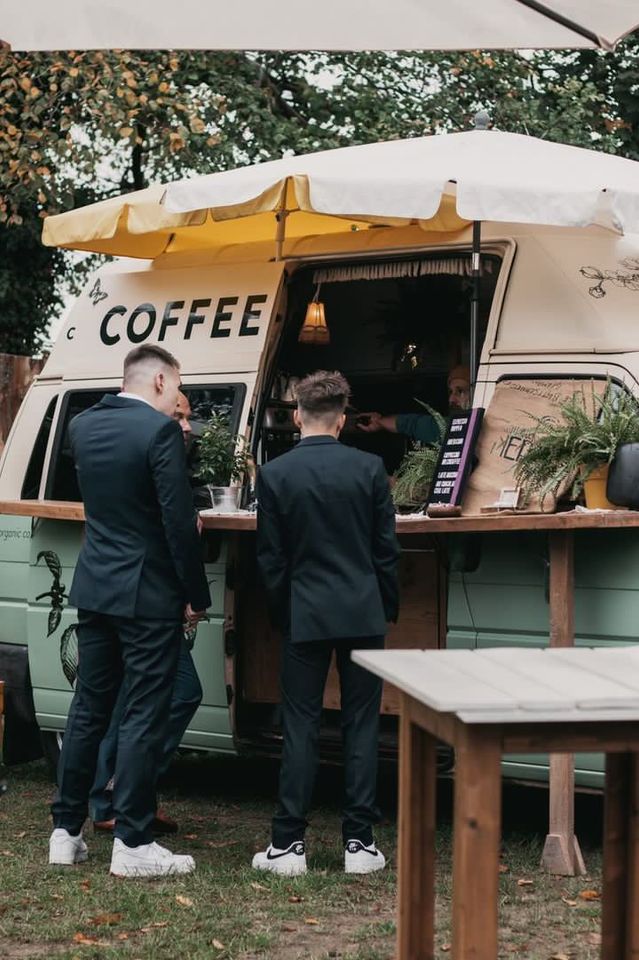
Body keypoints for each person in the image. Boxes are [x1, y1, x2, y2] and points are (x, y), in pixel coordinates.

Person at [49, 346, 211, 878]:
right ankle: (133, 842)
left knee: (89, 710)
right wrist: (196, 594)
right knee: (144, 711)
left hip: (96, 585)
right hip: (148, 594)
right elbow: (176, 520)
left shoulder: (85, 426)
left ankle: (66, 831)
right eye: (176, 389)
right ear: (161, 380)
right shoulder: (159, 434)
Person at [252, 370, 400, 877]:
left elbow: (271, 560)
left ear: (297, 416)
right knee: (362, 725)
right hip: (362, 611)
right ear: (341, 420)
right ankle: (359, 843)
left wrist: (281, 613)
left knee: (301, 725)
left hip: (305, 612)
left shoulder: (274, 475)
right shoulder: (370, 469)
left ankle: (288, 844)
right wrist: (387, 604)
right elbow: (386, 551)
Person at [89, 390, 204, 837]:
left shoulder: (157, 449)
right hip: (142, 597)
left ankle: (117, 796)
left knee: (133, 697)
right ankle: (120, 794)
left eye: (189, 418)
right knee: (169, 692)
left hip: (131, 594)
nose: (188, 426)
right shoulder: (150, 444)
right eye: (180, 416)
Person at [357, 364, 471, 443]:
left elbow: (414, 424)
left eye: (460, 391)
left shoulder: (469, 426)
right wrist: (379, 422)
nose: (451, 399)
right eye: (451, 392)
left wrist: (380, 422)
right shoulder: (453, 427)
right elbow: (414, 425)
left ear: (477, 392)